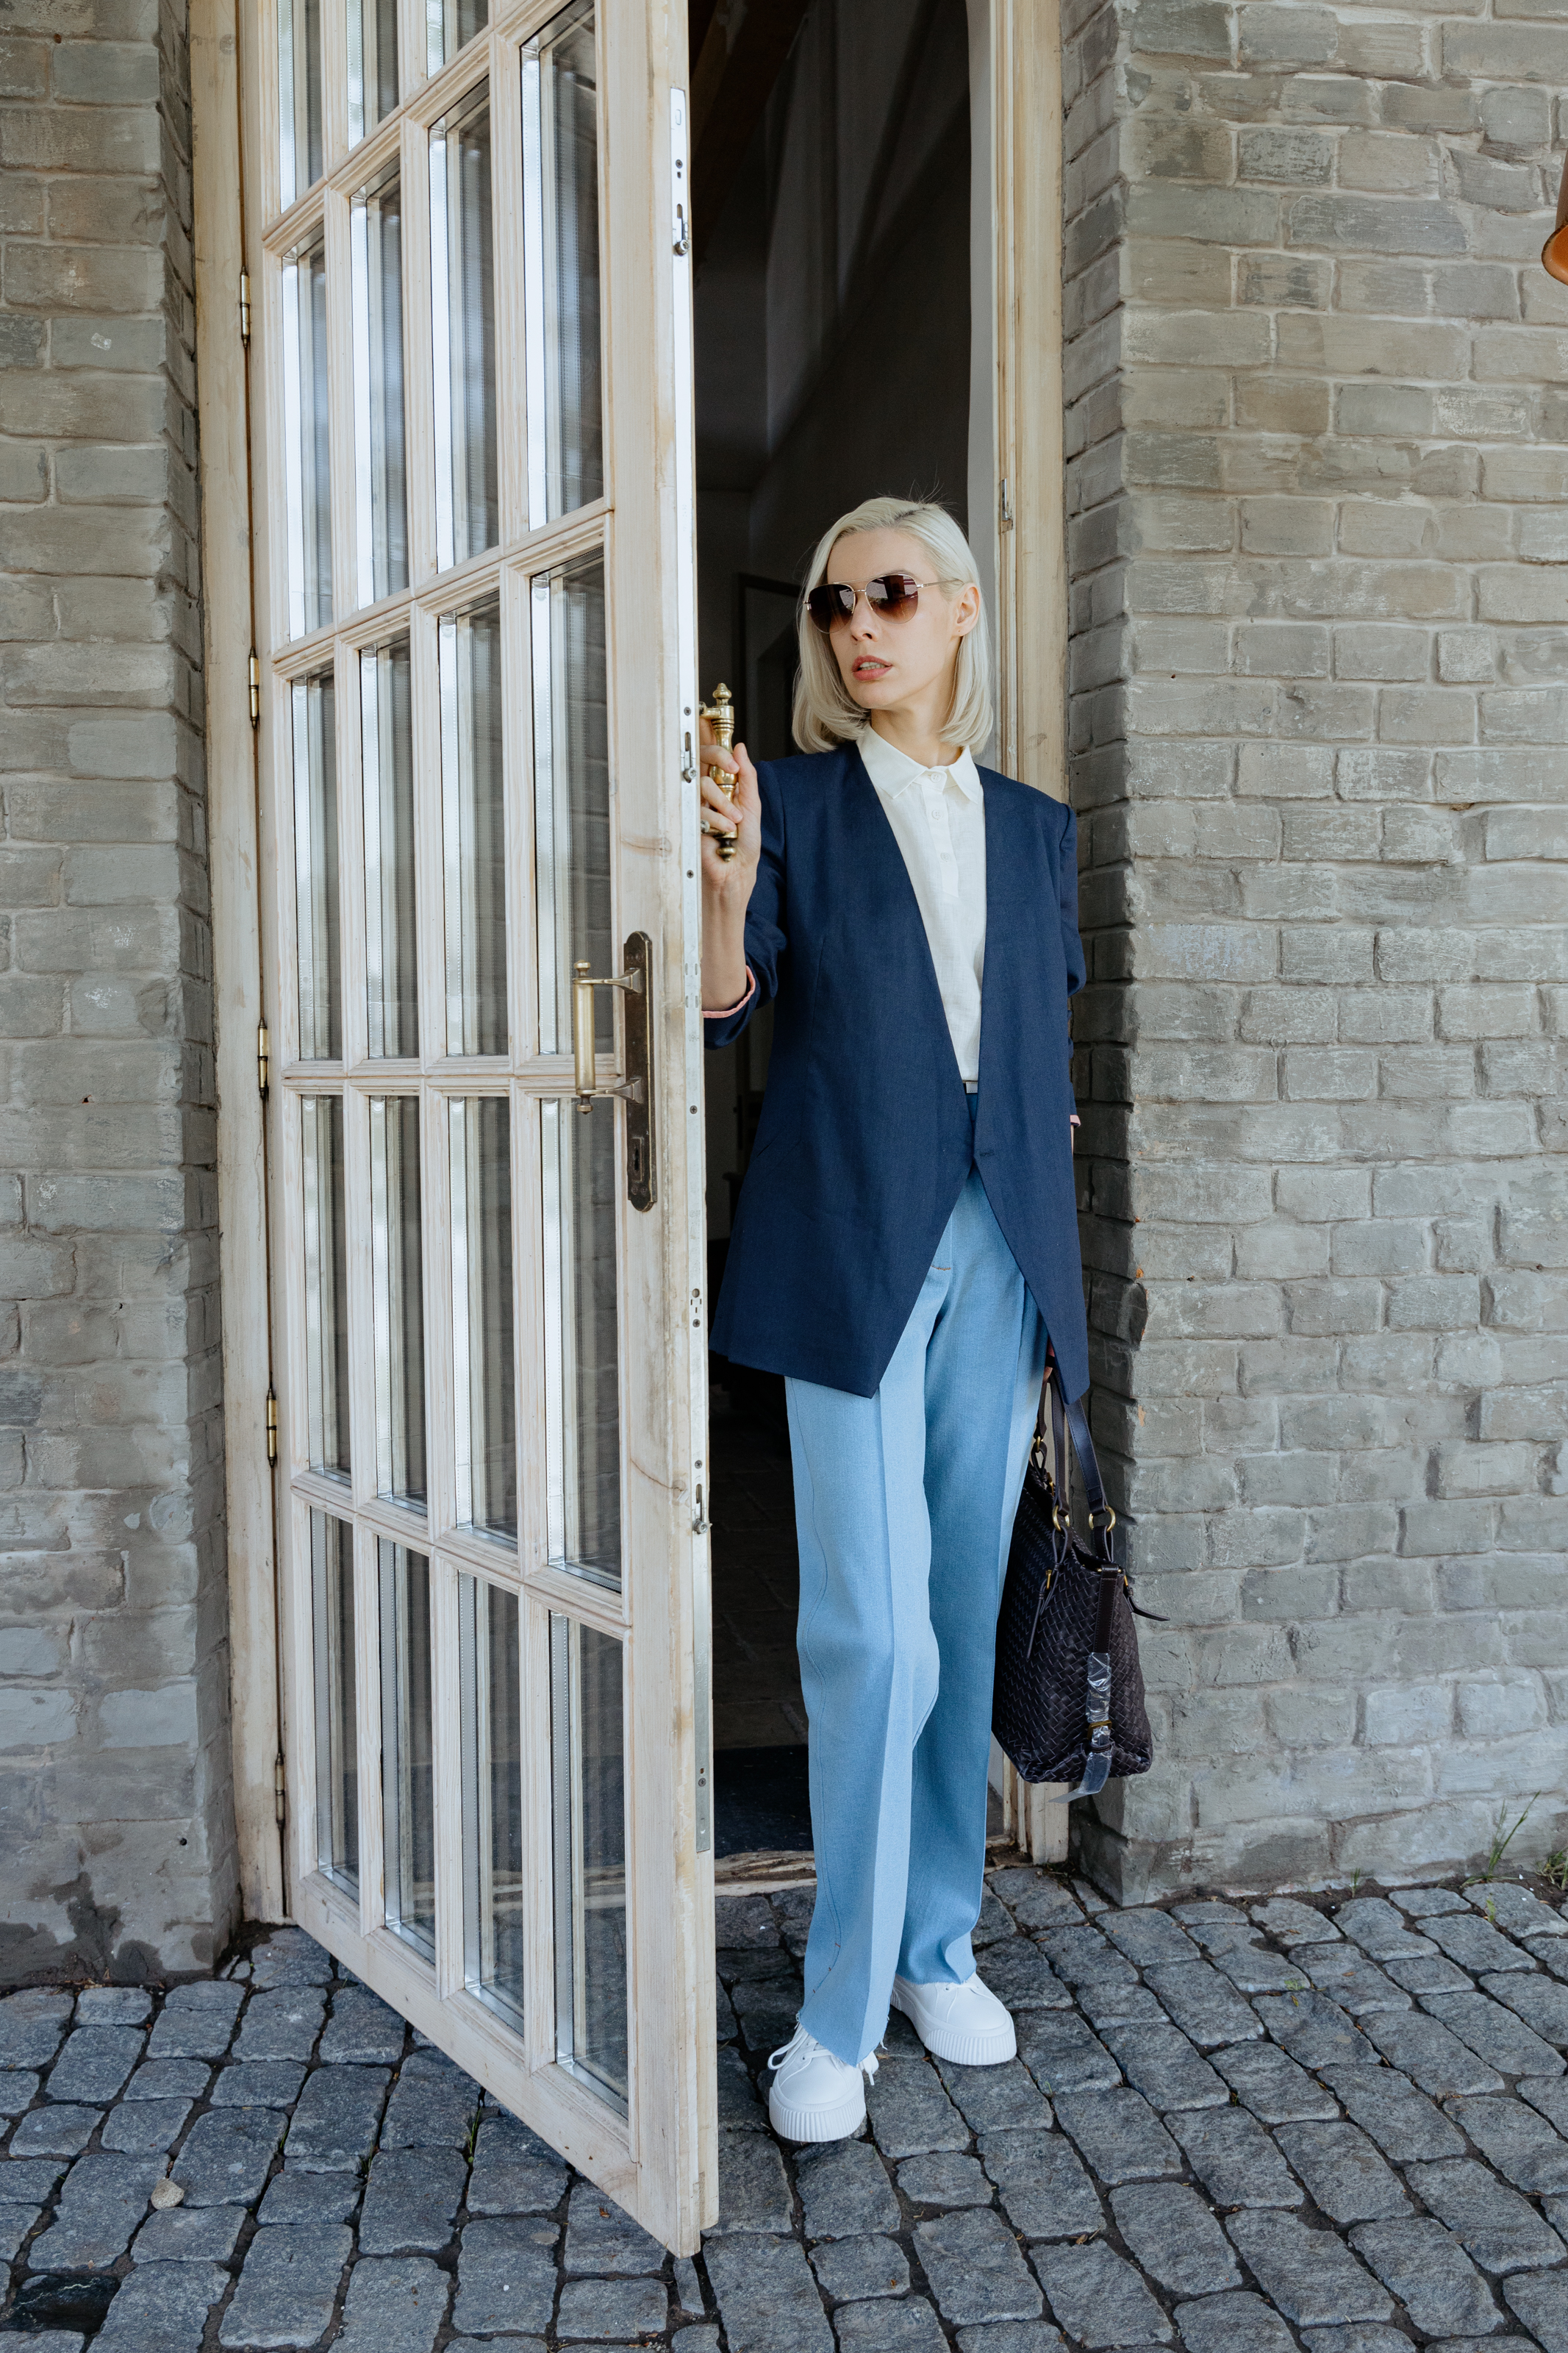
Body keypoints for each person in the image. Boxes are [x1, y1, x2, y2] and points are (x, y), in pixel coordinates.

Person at [701, 495, 1086, 2143]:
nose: (856, 627)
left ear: (960, 609)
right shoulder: (788, 802)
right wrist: (722, 891)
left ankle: (939, 1946)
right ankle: (837, 2012)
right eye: (831, 605)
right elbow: (722, 1007)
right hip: (851, 1242)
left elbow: (1040, 1044)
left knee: (959, 1604)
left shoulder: (1034, 828)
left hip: (1001, 1247)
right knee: (873, 1635)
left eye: (890, 594)